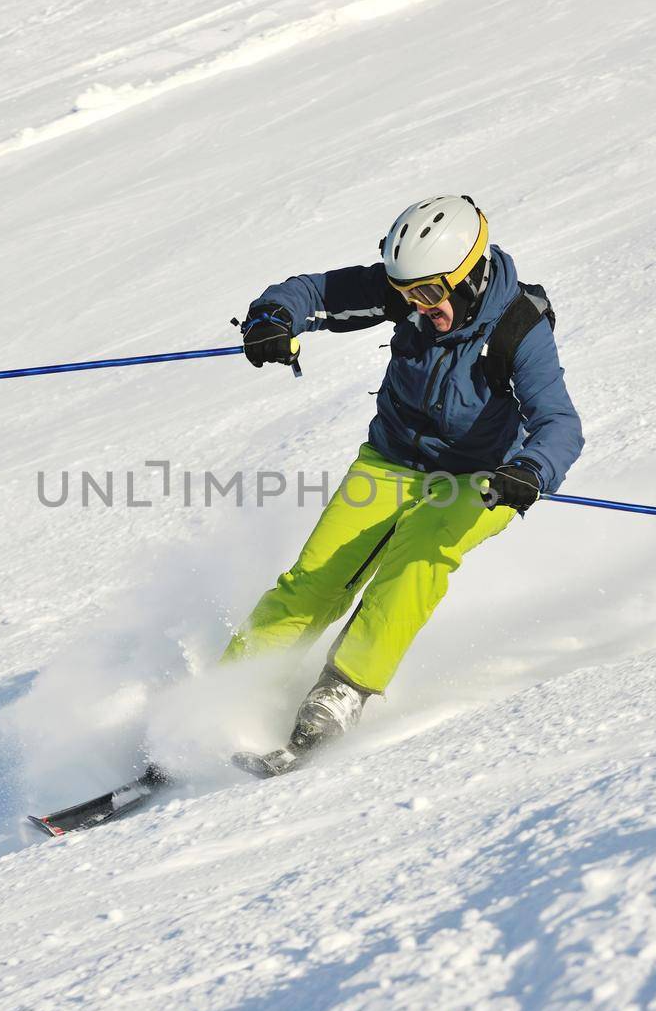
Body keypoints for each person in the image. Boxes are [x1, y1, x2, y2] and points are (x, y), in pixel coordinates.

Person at [223, 195, 584, 774]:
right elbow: (311, 290)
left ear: (468, 278)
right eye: (408, 293)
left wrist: (531, 469)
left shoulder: (519, 328)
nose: (418, 306)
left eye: (431, 294)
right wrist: (273, 319)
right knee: (315, 577)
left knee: (418, 558)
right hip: (392, 461)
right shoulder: (408, 293)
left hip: (485, 477)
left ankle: (343, 690)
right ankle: (231, 689)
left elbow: (559, 422)